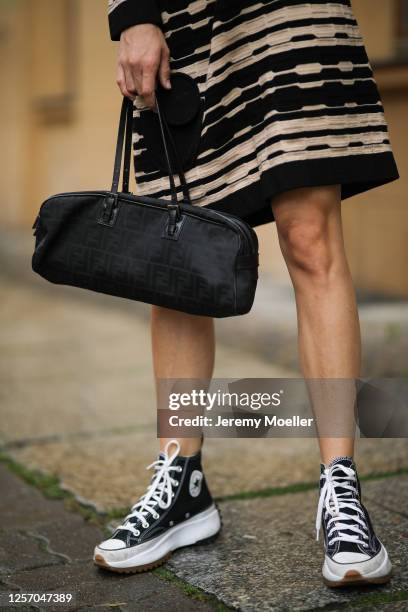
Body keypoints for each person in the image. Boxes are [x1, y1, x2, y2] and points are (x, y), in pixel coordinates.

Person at [94, 0, 399, 586]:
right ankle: (182, 483)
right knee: (179, 257)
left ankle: (341, 486)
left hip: (289, 15)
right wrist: (132, 14)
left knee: (311, 239)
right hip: (182, 26)